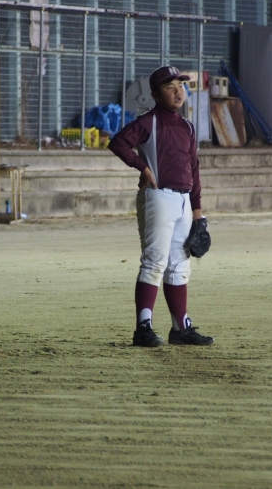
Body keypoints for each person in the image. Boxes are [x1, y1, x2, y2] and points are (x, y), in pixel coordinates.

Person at [108, 66, 214, 347]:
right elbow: (119, 143)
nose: (178, 91)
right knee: (155, 261)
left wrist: (197, 212)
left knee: (179, 265)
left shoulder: (187, 127)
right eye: (170, 87)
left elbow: (194, 169)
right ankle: (143, 328)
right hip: (159, 195)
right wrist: (143, 167)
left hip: (184, 199)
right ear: (155, 95)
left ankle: (180, 328)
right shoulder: (149, 121)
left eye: (180, 85)